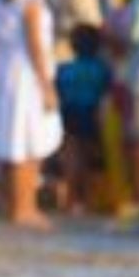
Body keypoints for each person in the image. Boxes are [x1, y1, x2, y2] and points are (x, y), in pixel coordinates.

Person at [0, 0, 63, 229]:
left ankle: (13, 204)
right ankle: (25, 207)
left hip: (2, 70)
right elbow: (35, 46)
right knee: (28, 143)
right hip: (26, 74)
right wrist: (47, 86)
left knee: (9, 140)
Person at [55, 24, 112, 211]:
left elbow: (59, 91)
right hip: (91, 114)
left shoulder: (65, 69)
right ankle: (87, 200)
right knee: (88, 159)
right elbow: (105, 92)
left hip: (69, 113)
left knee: (71, 157)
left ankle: (70, 200)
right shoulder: (101, 69)